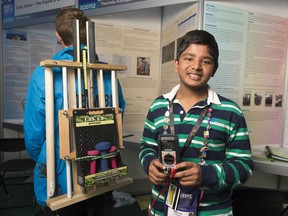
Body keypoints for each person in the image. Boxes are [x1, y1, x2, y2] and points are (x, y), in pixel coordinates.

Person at [139, 29, 253, 216]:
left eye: (205, 61)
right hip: (161, 209)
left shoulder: (231, 112)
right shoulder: (158, 106)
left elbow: (244, 166)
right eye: (188, 58)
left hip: (213, 212)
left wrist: (206, 174)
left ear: (214, 68)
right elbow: (146, 146)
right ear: (176, 64)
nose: (196, 66)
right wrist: (150, 163)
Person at [24, 8, 126, 216]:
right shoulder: (106, 74)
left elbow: (35, 134)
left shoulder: (45, 74)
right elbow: (117, 117)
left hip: (59, 174)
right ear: (87, 34)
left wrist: (48, 159)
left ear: (58, 36)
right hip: (101, 166)